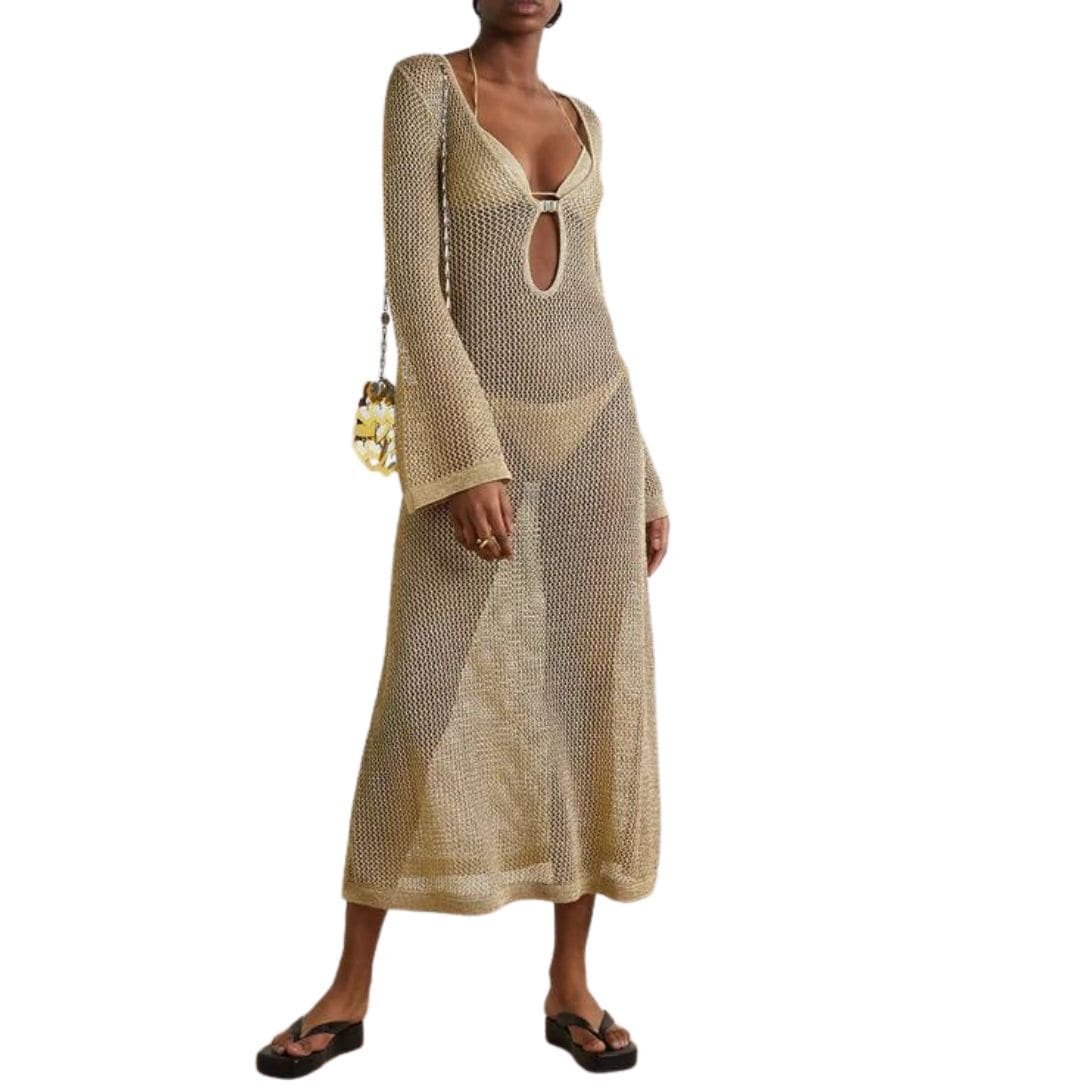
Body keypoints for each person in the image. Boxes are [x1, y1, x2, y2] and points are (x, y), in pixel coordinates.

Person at [256, 0, 670, 1077]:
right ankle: (349, 987)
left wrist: (643, 471)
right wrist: (468, 460)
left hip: (595, 432)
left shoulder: (582, 116)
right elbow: (415, 285)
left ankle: (570, 980)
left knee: (589, 695)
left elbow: (592, 298)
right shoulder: (426, 88)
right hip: (476, 440)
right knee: (420, 694)